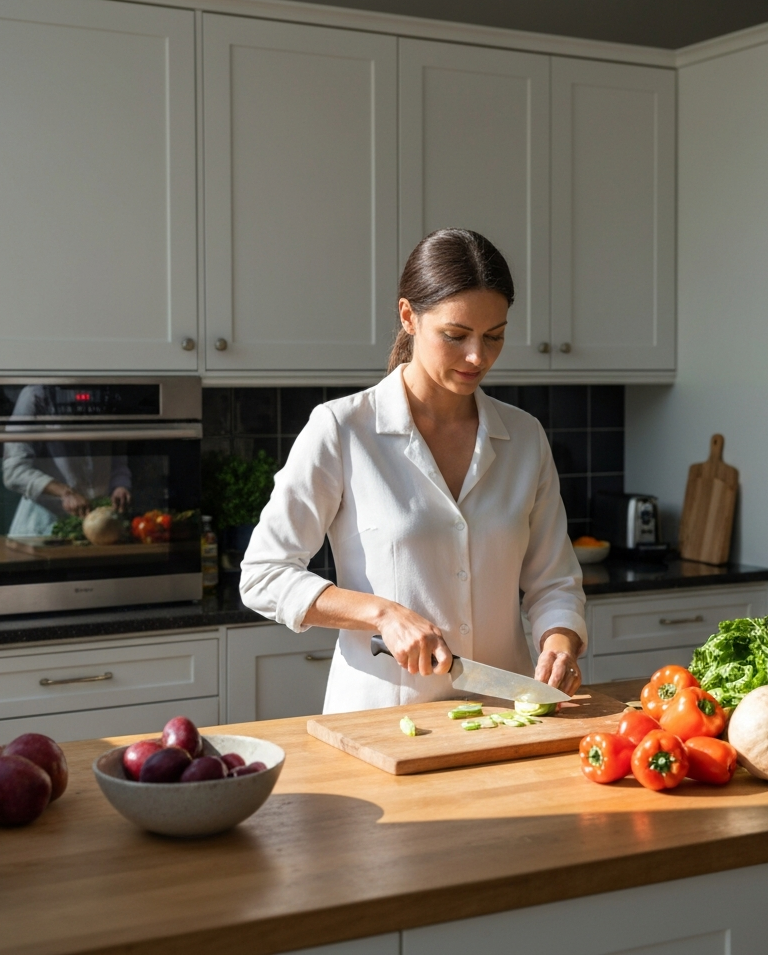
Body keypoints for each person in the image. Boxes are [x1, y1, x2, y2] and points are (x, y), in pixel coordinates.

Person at [240, 229, 586, 713]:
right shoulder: (343, 429)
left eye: (495, 337)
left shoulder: (524, 438)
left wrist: (560, 640)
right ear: (409, 317)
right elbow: (263, 575)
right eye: (455, 335)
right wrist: (381, 613)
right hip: (382, 718)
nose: (477, 357)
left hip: (505, 715)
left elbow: (555, 582)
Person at [2, 385, 132, 538]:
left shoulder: (108, 392)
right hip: (44, 525)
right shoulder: (36, 395)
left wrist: (120, 485)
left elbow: (117, 458)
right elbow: (14, 471)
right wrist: (65, 492)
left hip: (98, 524)